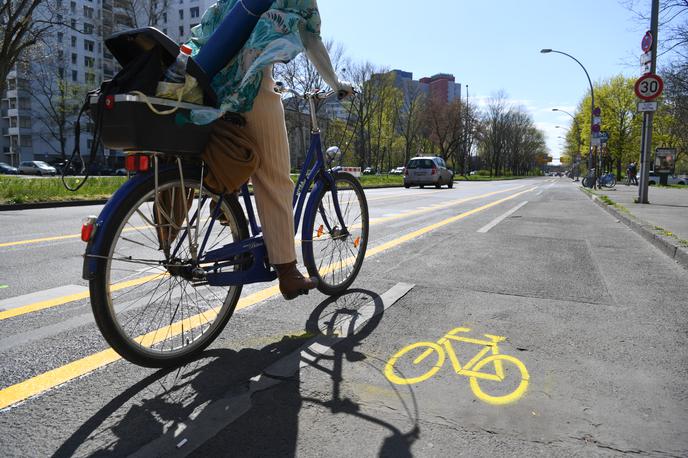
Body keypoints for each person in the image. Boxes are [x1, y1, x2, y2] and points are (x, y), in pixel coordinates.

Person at [188, 0, 353, 300]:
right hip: (251, 77)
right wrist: (335, 82)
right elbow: (311, 38)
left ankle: (228, 197)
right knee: (275, 178)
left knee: (237, 147)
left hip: (207, 79)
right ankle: (287, 272)